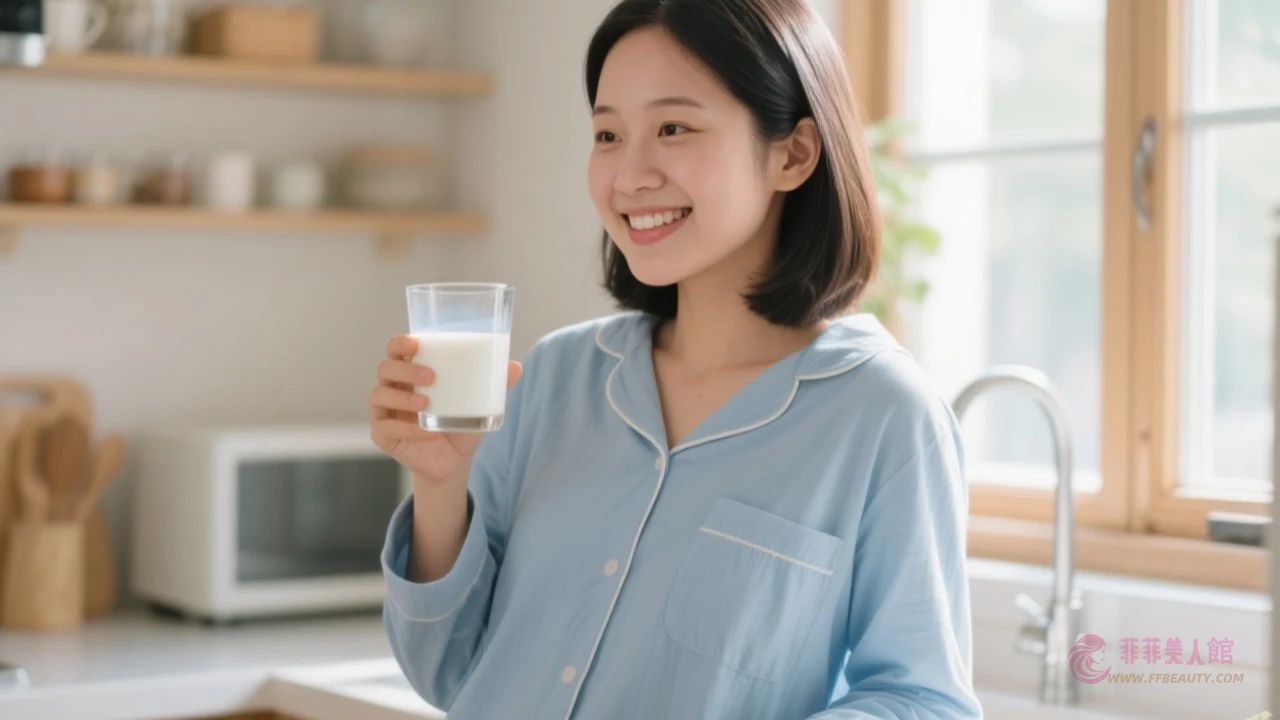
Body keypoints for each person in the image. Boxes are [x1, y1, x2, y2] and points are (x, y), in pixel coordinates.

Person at [369, 0, 981, 717]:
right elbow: (447, 670)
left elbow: (925, 699)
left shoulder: (882, 416)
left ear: (793, 154)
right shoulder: (554, 379)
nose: (629, 175)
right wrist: (441, 484)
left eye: (673, 128)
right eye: (607, 133)